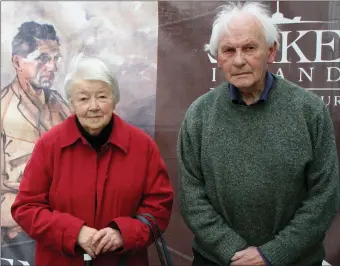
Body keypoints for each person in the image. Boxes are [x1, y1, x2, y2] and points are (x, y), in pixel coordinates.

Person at [177, 2, 340, 266]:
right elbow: (191, 198)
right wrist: (234, 251)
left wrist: (272, 254)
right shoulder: (199, 116)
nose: (239, 60)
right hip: (218, 260)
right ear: (218, 58)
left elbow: (324, 196)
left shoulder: (310, 111)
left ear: (271, 51)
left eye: (250, 48)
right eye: (229, 50)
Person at [11, 56, 174, 266]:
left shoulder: (143, 147)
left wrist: (123, 233)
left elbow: (159, 207)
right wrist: (74, 233)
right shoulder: (49, 146)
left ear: (115, 99)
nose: (93, 106)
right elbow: (26, 207)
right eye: (83, 98)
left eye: (102, 96)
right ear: (71, 103)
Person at [1, 21, 70, 264]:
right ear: (18, 62)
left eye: (55, 59)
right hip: (16, 238)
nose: (51, 67)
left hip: (64, 230)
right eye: (42, 58)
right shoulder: (2, 109)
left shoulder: (62, 107)